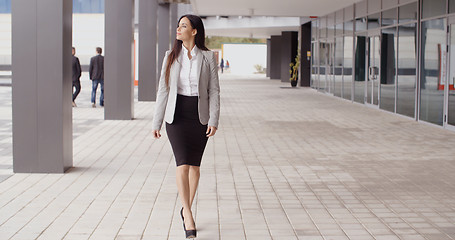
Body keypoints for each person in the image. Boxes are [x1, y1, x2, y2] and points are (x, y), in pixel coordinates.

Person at [152, 14, 220, 239]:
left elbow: (214, 91)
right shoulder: (170, 56)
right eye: (178, 26)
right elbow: (163, 89)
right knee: (182, 164)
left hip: (198, 116)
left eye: (183, 26)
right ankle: (189, 215)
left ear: (195, 31)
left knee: (195, 169)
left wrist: (213, 119)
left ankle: (184, 208)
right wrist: (157, 121)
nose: (178, 29)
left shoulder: (209, 58)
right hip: (177, 115)